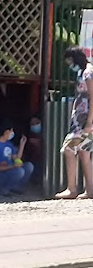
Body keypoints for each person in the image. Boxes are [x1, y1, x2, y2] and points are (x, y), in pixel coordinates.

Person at [55, 46, 93, 199]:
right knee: (84, 152)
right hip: (82, 119)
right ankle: (89, 190)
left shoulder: (88, 73)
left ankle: (71, 188)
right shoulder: (83, 72)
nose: (70, 64)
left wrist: (89, 122)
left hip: (84, 120)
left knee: (68, 149)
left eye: (70, 61)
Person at [0, 119, 34, 196]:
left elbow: (17, 158)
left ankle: (15, 187)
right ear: (6, 132)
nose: (12, 133)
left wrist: (22, 144)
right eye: (11, 131)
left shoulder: (8, 144)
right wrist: (13, 166)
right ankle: (4, 189)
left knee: (29, 166)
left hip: (10, 171)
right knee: (19, 171)